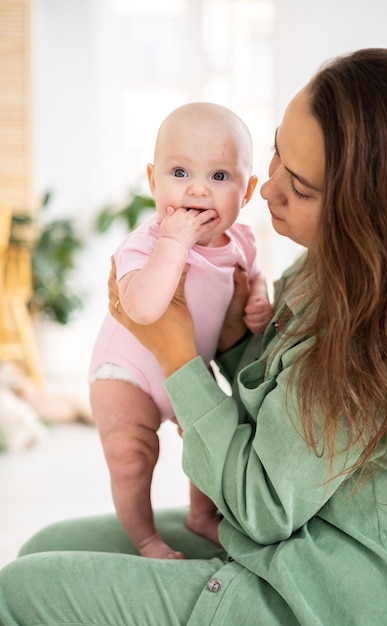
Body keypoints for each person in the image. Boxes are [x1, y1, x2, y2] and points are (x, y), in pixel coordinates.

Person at [1, 47, 387, 625]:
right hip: (279, 537)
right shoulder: (322, 267)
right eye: (275, 153)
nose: (266, 190)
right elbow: (286, 413)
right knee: (42, 546)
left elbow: (264, 506)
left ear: (367, 213)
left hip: (317, 589)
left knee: (15, 591)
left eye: (297, 185)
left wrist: (176, 354)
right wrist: (230, 344)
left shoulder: (369, 337)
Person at [89, 102, 272, 559]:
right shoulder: (146, 243)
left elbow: (252, 277)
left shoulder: (242, 242)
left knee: (212, 445)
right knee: (131, 457)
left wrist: (257, 298)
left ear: (247, 191)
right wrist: (175, 242)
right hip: (127, 372)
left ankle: (201, 515)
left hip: (191, 366)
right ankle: (146, 537)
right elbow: (144, 309)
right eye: (179, 172)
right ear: (153, 181)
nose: (197, 189)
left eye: (219, 177)